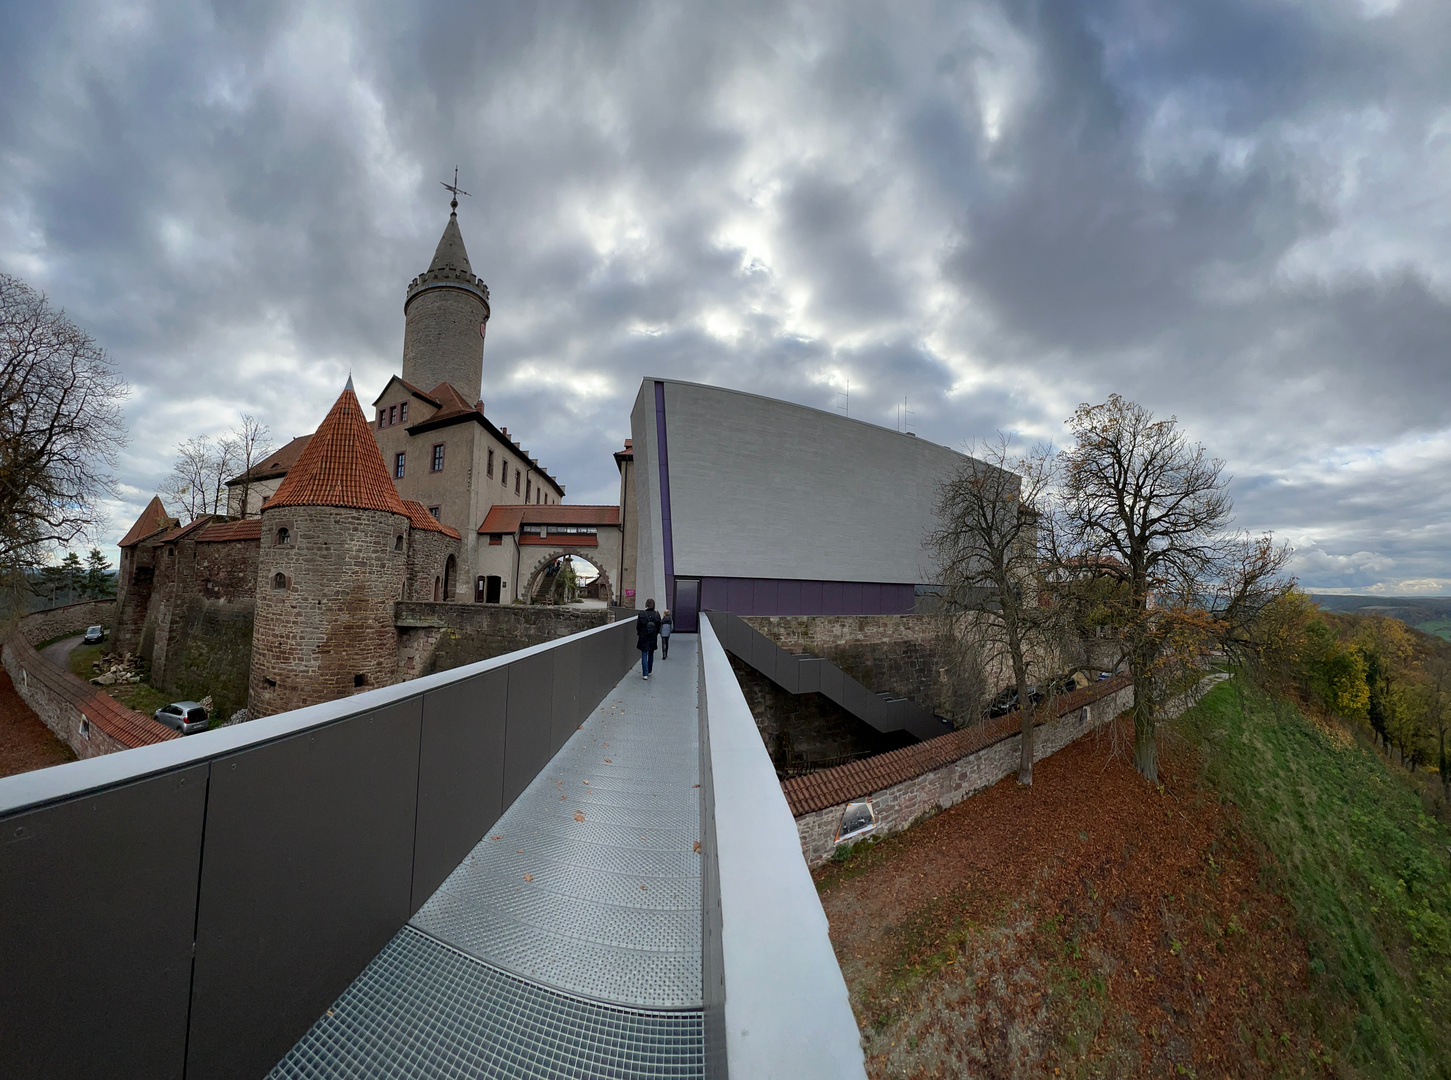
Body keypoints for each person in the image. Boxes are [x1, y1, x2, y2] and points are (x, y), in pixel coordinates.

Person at [636, 598, 662, 679]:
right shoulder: (657, 614)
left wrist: (640, 633)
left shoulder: (642, 614)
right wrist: (655, 633)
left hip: (643, 636)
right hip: (652, 636)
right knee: (651, 653)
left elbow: (638, 626)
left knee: (644, 653)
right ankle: (650, 670)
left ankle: (645, 673)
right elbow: (659, 626)